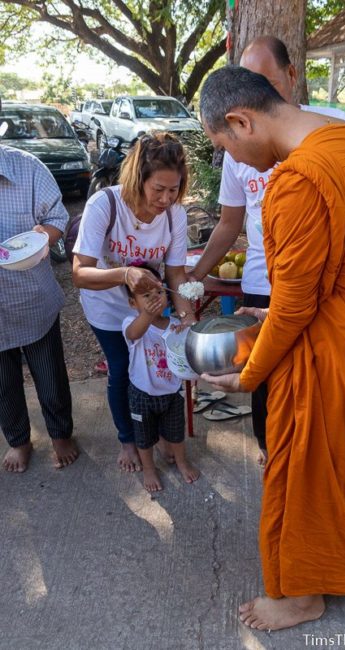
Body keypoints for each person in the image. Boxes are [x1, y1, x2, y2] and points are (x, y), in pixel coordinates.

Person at [199, 66, 345, 631]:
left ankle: (302, 595)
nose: (238, 163)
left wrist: (247, 377)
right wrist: (276, 311)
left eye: (227, 148)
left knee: (307, 468)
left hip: (337, 352)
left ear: (240, 120)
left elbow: (298, 307)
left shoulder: (299, 180)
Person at [189, 36, 345, 466]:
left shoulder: (326, 146)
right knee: (278, 405)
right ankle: (276, 457)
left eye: (263, 81)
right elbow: (229, 222)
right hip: (272, 290)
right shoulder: (305, 162)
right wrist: (193, 275)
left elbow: (305, 299)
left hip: (333, 306)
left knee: (319, 411)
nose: (256, 92)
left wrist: (249, 374)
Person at [73, 133, 196, 473]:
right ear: (137, 177)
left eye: (174, 190)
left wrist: (186, 316)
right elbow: (80, 273)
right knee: (122, 370)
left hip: (149, 304)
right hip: (106, 307)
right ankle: (128, 439)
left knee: (156, 367)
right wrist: (124, 274)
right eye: (159, 189)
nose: (166, 198)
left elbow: (175, 273)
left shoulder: (174, 215)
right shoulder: (106, 205)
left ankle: (153, 434)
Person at [0, 145, 78, 472]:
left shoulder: (27, 169)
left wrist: (43, 236)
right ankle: (19, 440)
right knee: (3, 385)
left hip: (32, 299)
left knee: (50, 377)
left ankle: (61, 435)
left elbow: (57, 219)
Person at [123, 264, 199, 492]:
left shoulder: (176, 325)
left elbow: (185, 355)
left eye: (159, 292)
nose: (155, 298)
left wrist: (184, 333)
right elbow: (133, 334)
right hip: (142, 394)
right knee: (144, 437)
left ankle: (182, 462)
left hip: (172, 392)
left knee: (176, 431)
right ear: (132, 303)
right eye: (146, 295)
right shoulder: (130, 324)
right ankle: (148, 468)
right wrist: (147, 314)